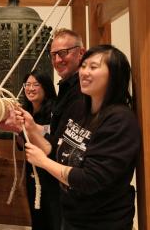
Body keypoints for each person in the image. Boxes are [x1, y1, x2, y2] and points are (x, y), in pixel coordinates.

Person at [22, 44, 141, 230]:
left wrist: (43, 162)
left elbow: (90, 179)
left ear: (114, 75)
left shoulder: (120, 121)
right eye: (83, 66)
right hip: (72, 216)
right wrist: (30, 127)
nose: (84, 72)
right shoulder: (80, 108)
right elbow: (57, 147)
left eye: (93, 67)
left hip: (103, 222)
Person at [17, 70, 59, 230]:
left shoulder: (55, 110)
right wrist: (17, 129)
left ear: (46, 87)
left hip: (51, 170)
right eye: (27, 85)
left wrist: (32, 127)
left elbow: (54, 139)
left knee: (52, 215)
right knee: (37, 215)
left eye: (36, 84)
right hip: (32, 170)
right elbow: (22, 144)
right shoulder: (26, 110)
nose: (30, 88)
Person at [49, 28, 85, 147]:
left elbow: (62, 143)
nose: (57, 60)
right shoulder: (66, 87)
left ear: (81, 53)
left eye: (63, 53)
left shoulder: (83, 89)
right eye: (53, 55)